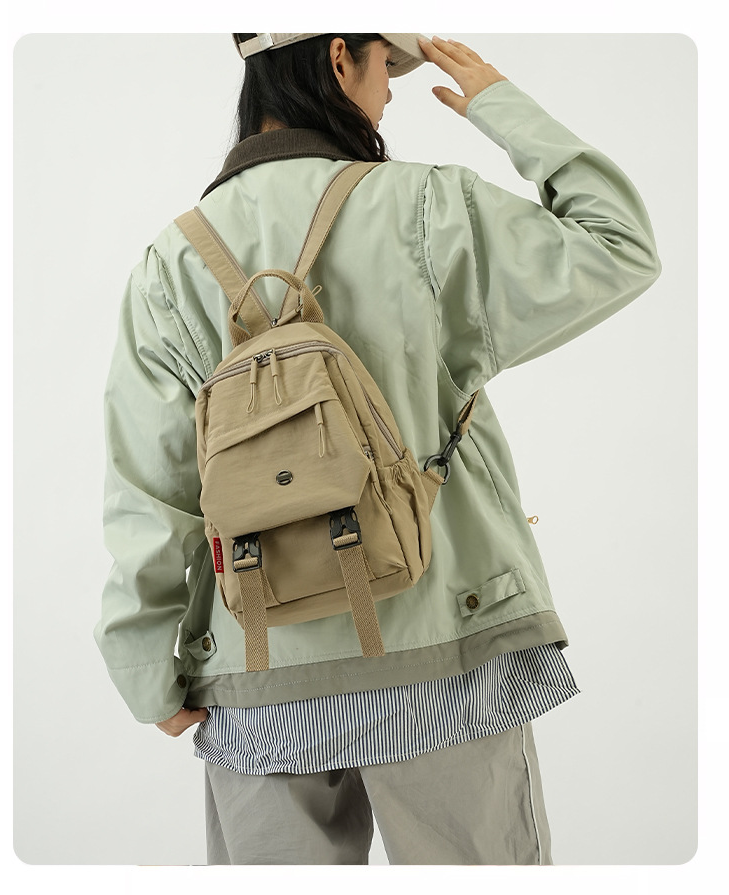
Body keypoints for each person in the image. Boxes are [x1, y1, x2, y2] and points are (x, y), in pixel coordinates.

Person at [94, 33, 661, 865]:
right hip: (448, 652)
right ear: (337, 60)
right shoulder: (428, 207)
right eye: (384, 66)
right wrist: (499, 103)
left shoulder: (169, 264)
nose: (389, 92)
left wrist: (146, 666)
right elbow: (621, 246)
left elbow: (149, 490)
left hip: (259, 673)